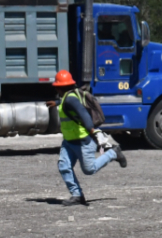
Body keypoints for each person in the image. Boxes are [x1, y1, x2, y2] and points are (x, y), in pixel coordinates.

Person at [54, 70, 126, 206]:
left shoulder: (70, 99)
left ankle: (113, 153)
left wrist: (93, 132)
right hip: (69, 141)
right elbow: (66, 105)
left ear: (59, 87)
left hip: (83, 141)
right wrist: (55, 102)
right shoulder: (67, 97)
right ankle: (77, 195)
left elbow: (84, 115)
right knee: (64, 166)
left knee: (89, 169)